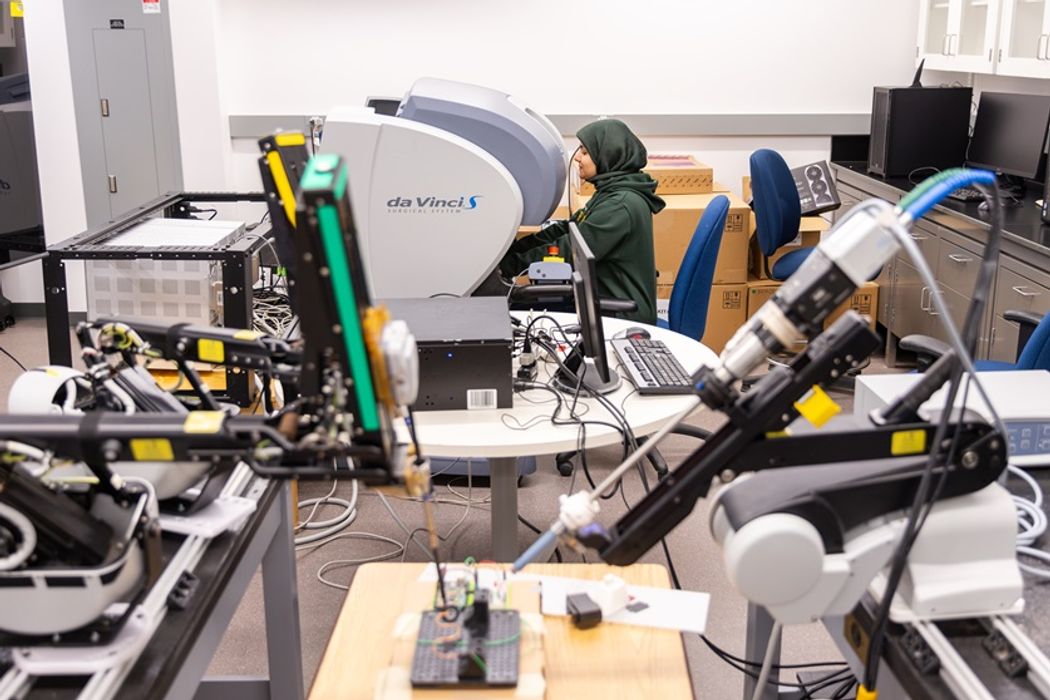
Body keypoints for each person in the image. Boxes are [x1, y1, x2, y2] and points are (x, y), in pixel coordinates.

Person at [499, 119, 664, 324]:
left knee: (514, 314)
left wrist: (509, 266)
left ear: (608, 156)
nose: (577, 157)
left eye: (585, 152)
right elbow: (566, 230)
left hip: (621, 313)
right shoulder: (610, 192)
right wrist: (514, 250)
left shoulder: (620, 205)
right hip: (599, 298)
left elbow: (572, 250)